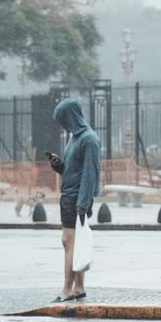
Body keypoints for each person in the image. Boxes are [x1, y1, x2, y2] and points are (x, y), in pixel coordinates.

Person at [47, 97, 101, 302]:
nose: (63, 125)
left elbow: (89, 174)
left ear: (72, 116)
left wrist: (83, 204)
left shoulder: (89, 139)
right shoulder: (75, 138)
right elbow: (73, 170)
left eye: (64, 119)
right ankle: (79, 288)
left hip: (76, 198)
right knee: (74, 244)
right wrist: (58, 166)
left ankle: (66, 290)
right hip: (70, 196)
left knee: (68, 243)